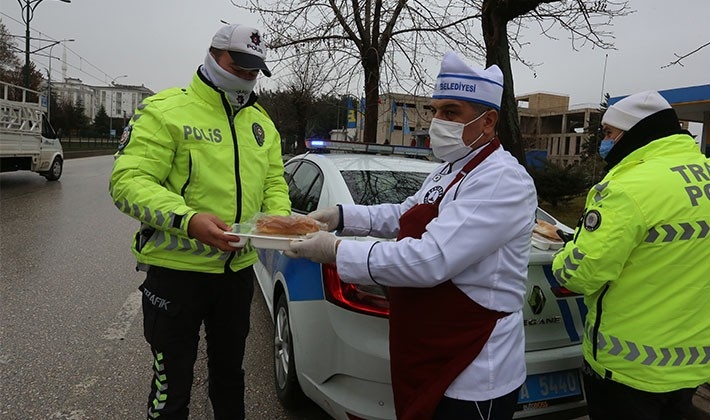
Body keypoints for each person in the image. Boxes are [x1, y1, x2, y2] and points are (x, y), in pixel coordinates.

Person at [286, 51, 537, 420]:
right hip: (428, 350)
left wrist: (336, 251)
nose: (438, 122)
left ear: (488, 121)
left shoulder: (501, 179)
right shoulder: (448, 170)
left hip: (472, 365)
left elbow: (430, 260)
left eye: (451, 113)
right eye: (435, 111)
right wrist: (340, 216)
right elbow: (404, 214)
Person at [109, 23, 290, 420]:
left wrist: (276, 220)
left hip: (237, 274)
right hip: (176, 275)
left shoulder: (261, 124)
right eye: (237, 66)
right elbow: (128, 182)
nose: (245, 76)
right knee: (171, 387)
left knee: (230, 378)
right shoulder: (166, 110)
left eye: (253, 70)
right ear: (212, 56)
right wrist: (188, 221)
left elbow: (274, 181)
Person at [552, 91, 710, 420]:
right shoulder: (705, 172)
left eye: (609, 134)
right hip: (693, 364)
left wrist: (565, 252)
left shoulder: (627, 188)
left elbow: (580, 274)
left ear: (636, 132)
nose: (605, 143)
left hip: (627, 367)